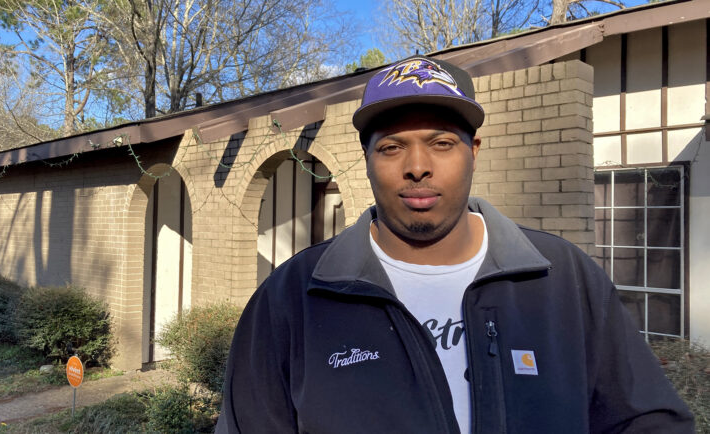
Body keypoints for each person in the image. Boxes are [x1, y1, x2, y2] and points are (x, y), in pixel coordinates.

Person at [215, 55, 694, 433]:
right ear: (367, 160)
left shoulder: (562, 278)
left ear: (474, 152)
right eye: (391, 147)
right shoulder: (294, 297)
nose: (417, 166)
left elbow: (649, 420)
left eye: (441, 143)